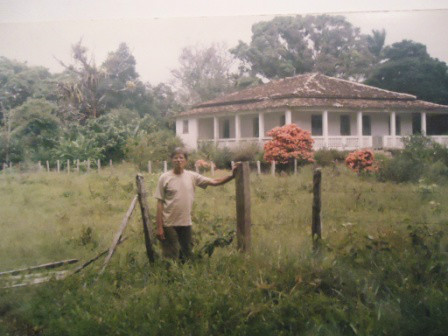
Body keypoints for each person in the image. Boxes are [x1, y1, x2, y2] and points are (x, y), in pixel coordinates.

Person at [154, 147, 237, 261]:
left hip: (185, 223)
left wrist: (232, 176)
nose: (178, 160)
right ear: (171, 160)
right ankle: (170, 277)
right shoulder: (164, 178)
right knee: (171, 256)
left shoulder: (192, 176)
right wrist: (159, 227)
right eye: (175, 157)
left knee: (187, 254)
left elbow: (214, 182)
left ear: (186, 161)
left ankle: (184, 277)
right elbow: (159, 203)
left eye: (181, 158)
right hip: (168, 224)